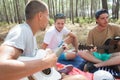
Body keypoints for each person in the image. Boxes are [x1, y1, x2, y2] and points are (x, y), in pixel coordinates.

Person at [0, 0, 87, 80]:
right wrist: (45, 63)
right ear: (40, 15)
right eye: (48, 15)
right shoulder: (21, 31)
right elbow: (1, 69)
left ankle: (59, 74)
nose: (49, 19)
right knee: (81, 78)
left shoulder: (30, 33)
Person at [78, 9, 120, 76]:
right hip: (96, 56)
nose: (106, 20)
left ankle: (98, 65)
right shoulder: (92, 32)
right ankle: (110, 64)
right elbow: (89, 46)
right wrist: (91, 49)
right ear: (97, 20)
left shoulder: (114, 27)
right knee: (80, 52)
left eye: (107, 17)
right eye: (102, 18)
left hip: (110, 55)